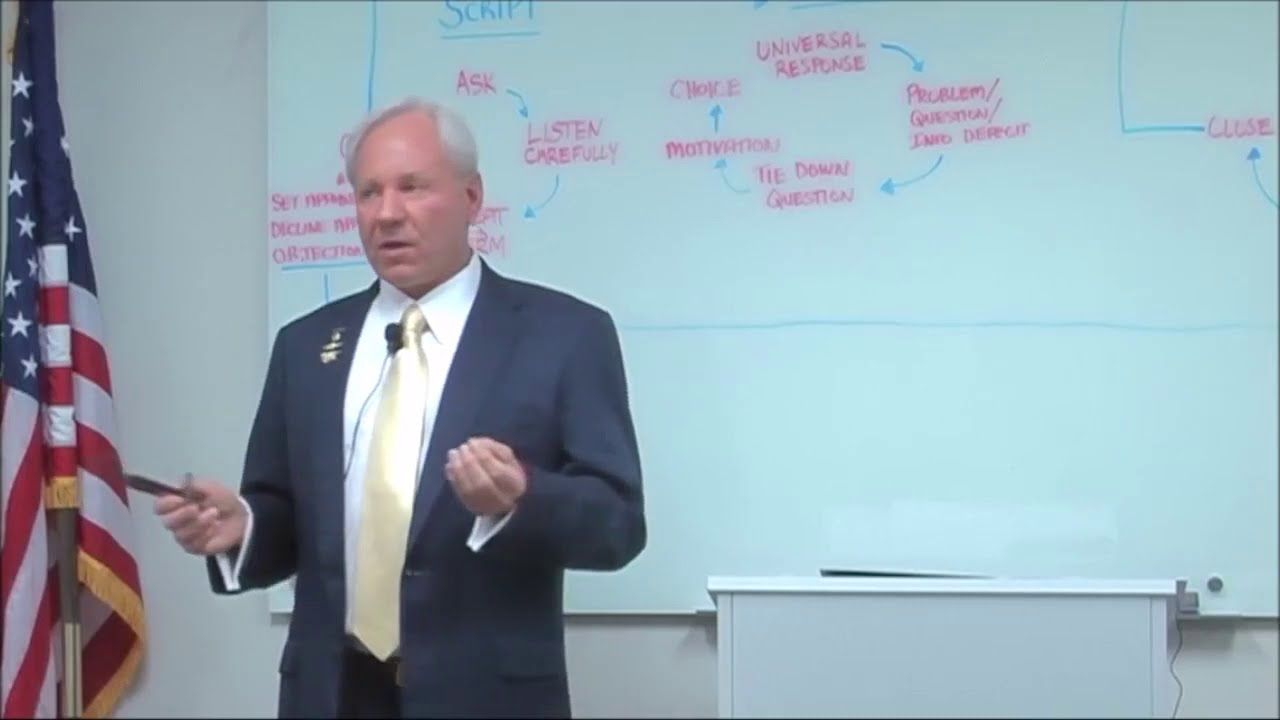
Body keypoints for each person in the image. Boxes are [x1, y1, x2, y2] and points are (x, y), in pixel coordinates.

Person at [154, 97, 646, 719]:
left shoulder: (564, 334)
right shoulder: (306, 346)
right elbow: (285, 509)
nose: (387, 214)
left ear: (472, 197)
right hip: (330, 694)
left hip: (487, 697)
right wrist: (244, 527)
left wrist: (520, 497)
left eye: (412, 188)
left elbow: (619, 524)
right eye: (368, 193)